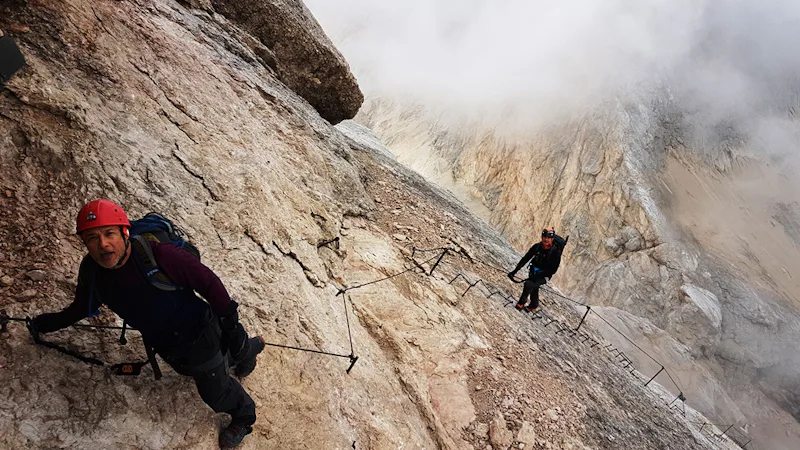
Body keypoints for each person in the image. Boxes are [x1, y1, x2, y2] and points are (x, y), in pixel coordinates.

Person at [28, 199, 264, 449]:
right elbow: (79, 308)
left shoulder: (160, 255)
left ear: (124, 232)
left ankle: (244, 416)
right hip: (165, 342)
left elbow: (209, 283)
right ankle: (249, 349)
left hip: (199, 334)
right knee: (205, 362)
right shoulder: (92, 273)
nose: (103, 245)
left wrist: (230, 321)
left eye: (109, 234)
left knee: (215, 391)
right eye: (92, 238)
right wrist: (45, 324)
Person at [507, 227, 563, 313]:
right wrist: (515, 271)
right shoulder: (537, 247)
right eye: (544, 237)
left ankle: (521, 302)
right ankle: (533, 305)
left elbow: (552, 270)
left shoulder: (555, 252)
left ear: (552, 239)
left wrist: (537, 277)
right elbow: (525, 258)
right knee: (534, 286)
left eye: (548, 238)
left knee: (529, 284)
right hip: (534, 271)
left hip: (545, 275)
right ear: (541, 237)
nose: (546, 239)